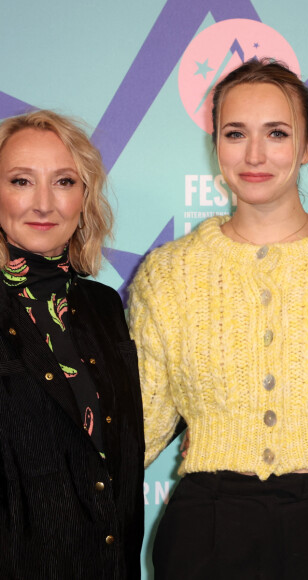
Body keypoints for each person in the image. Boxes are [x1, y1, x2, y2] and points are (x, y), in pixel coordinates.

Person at [129, 59, 308, 580]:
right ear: (215, 145)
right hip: (211, 526)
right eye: (235, 133)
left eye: (277, 133)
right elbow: (144, 424)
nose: (254, 155)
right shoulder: (168, 274)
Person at [0, 110, 144, 579]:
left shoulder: (103, 307)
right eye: (21, 181)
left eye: (63, 182)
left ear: (84, 197)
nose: (43, 204)